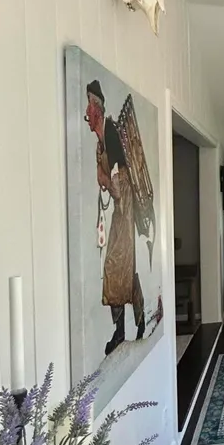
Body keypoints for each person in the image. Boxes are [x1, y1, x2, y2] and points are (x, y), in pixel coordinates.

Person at [85, 79, 145, 356]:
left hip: (125, 206)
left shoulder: (110, 132)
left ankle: (128, 327)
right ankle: (126, 327)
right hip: (120, 207)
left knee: (117, 265)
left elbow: (117, 183)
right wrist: (106, 180)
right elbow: (104, 180)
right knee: (118, 266)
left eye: (89, 106)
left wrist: (107, 181)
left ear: (97, 108)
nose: (87, 113)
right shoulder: (99, 145)